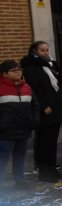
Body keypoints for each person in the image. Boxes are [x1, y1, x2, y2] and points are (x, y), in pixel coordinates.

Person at [20, 41, 62, 182]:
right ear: (35, 51)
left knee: (52, 141)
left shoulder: (49, 66)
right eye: (42, 50)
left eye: (47, 50)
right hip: (45, 110)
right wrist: (43, 105)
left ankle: (52, 169)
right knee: (43, 142)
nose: (46, 53)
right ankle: (44, 172)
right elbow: (34, 89)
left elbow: (57, 84)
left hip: (55, 107)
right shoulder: (30, 68)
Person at [0, 60, 39, 188]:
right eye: (14, 70)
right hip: (5, 131)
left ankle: (20, 181)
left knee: (20, 157)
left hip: (23, 129)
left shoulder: (26, 87)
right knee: (3, 158)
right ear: (5, 74)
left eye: (19, 70)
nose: (18, 72)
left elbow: (35, 106)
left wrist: (34, 121)